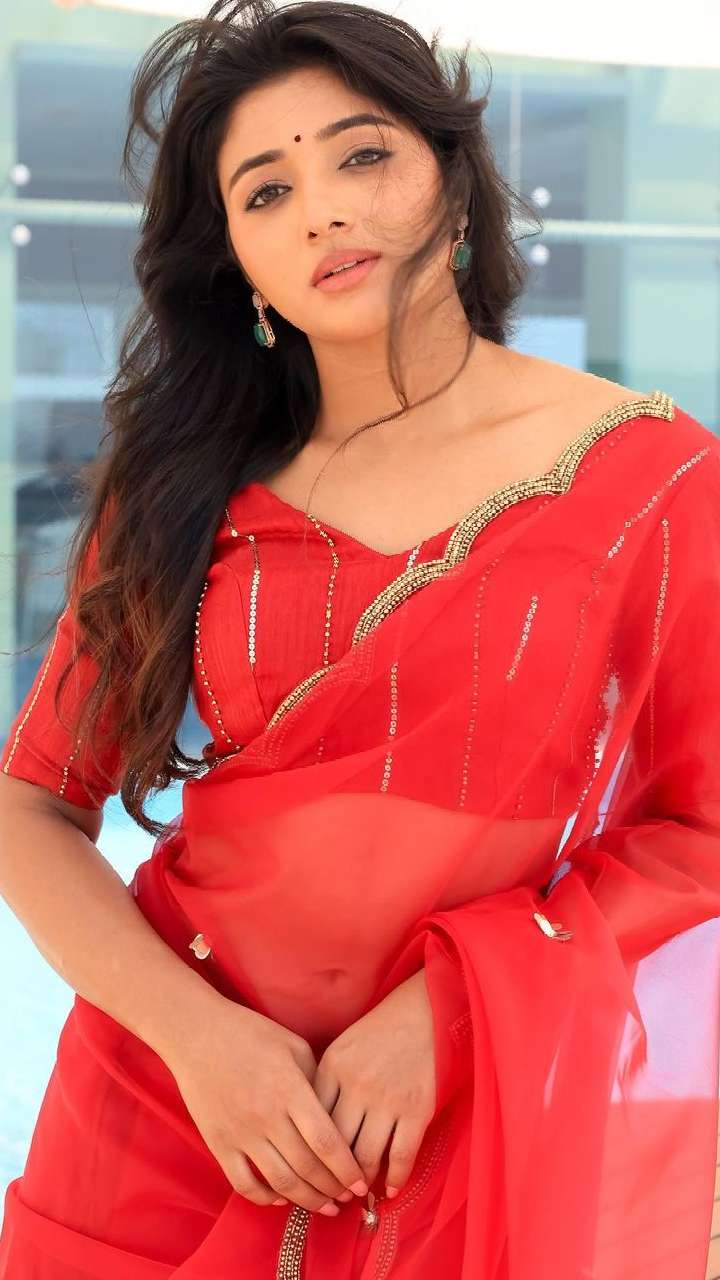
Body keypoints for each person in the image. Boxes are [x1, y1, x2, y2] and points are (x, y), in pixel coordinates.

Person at [1, 1, 719, 1276]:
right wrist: (200, 1042)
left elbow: (701, 827)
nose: (323, 211)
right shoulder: (183, 487)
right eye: (266, 192)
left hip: (449, 1129)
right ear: (239, 262)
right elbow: (34, 805)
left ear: (455, 178)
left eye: (363, 154)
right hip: (170, 1116)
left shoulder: (649, 478)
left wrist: (453, 1006)